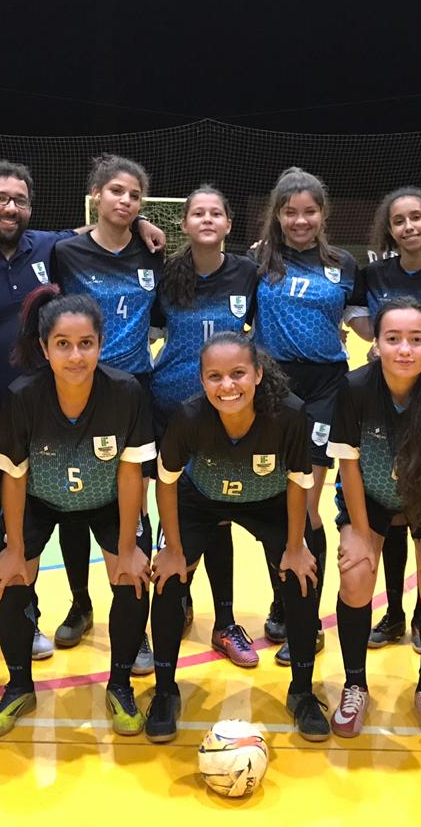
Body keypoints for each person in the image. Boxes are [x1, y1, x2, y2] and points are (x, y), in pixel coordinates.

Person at [0, 158, 165, 670]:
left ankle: (27, 624)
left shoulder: (46, 248)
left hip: (31, 424)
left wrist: (138, 223)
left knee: (16, 531)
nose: (11, 208)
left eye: (20, 200)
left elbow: (100, 226)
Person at [0, 289, 155, 737]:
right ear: (44, 348)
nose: (75, 355)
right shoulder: (23, 396)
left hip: (108, 501)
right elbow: (15, 477)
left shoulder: (125, 392)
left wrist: (129, 547)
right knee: (10, 577)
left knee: (133, 574)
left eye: (85, 344)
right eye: (63, 344)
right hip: (40, 499)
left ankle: (119, 685)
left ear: (101, 343)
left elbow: (131, 471)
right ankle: (19, 684)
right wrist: (14, 547)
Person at [146, 332, 328, 741]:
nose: (227, 386)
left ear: (258, 374)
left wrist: (296, 548)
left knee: (302, 577)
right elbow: (167, 481)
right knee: (169, 580)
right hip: (202, 499)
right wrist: (174, 551)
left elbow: (300, 481)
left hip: (270, 501)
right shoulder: (188, 416)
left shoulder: (289, 415)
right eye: (215, 376)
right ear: (202, 380)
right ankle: (164, 691)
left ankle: (302, 691)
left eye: (238, 374)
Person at [327, 299, 421, 742]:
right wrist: (356, 532)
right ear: (376, 343)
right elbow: (348, 464)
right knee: (355, 572)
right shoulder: (354, 387)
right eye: (393, 339)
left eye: (416, 339)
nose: (404, 349)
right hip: (369, 495)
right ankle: (355, 685)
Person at [52, 155, 165, 672]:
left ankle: (135, 623)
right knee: (74, 499)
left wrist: (143, 227)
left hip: (134, 389)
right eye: (116, 191)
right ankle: (80, 603)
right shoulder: (66, 251)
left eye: (135, 196)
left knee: (132, 506)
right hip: (78, 387)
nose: (126, 201)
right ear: (96, 193)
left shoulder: (150, 251)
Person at [347, 189, 421, 652]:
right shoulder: (374, 274)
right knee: (390, 513)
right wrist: (385, 345)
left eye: (417, 217)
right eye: (398, 220)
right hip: (388, 397)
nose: (408, 227)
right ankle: (394, 612)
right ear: (390, 229)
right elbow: (356, 313)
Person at [252, 167, 360, 665]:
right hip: (272, 387)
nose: (300, 220)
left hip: (324, 389)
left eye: (309, 211)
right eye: (290, 211)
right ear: (277, 213)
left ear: (323, 213)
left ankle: (306, 616)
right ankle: (282, 599)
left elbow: (361, 317)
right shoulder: (258, 261)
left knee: (309, 503)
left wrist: (389, 337)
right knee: (276, 500)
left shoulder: (344, 264)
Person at [151, 186, 260, 667]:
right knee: (174, 502)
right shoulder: (167, 275)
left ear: (229, 223)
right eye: (198, 212)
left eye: (217, 211)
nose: (208, 218)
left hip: (227, 409)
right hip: (171, 406)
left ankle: (225, 620)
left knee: (219, 509)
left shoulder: (249, 274)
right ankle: (179, 598)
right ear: (185, 223)